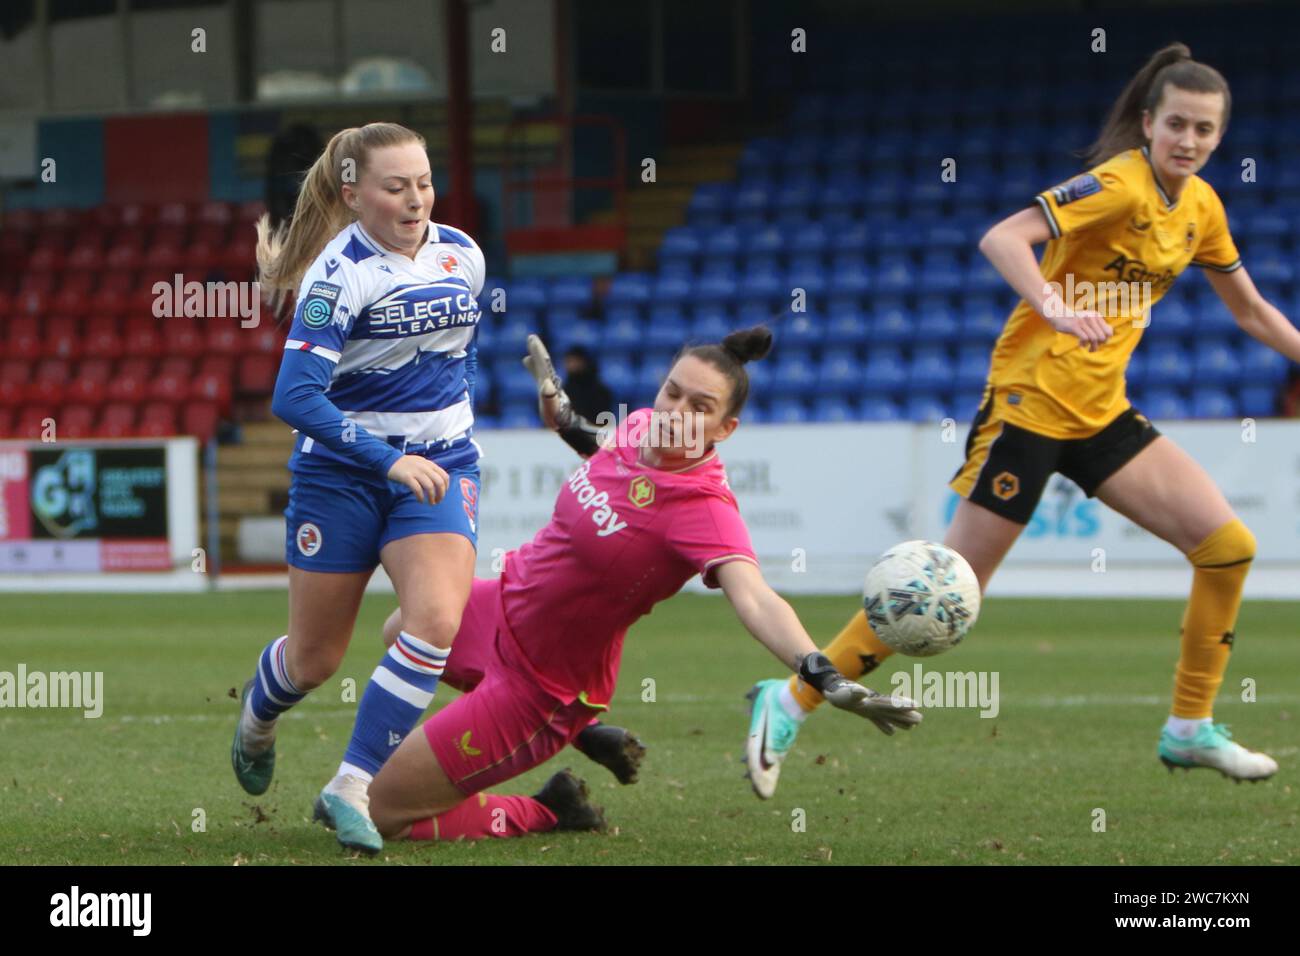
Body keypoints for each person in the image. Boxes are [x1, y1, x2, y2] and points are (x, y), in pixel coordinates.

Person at [745, 42, 1300, 797]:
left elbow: (1251, 309)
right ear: (1148, 123)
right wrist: (1056, 306)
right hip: (1031, 403)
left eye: (1206, 130)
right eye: (1178, 125)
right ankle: (788, 699)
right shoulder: (1115, 184)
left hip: (1101, 412)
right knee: (947, 587)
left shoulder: (1201, 206)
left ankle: (1189, 728)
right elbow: (1003, 237)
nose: (1191, 141)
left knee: (1227, 547)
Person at [349, 328, 921, 845]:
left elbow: (756, 597)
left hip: (543, 684)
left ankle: (548, 808)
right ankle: (588, 735)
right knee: (403, 627)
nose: (675, 411)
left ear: (726, 429)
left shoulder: (705, 509)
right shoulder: (642, 425)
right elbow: (602, 450)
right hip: (499, 607)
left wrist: (820, 672)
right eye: (673, 392)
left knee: (377, 812)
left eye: (701, 408)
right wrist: (561, 414)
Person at [229, 122, 488, 852]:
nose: (416, 200)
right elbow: (295, 398)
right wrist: (385, 456)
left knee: (434, 621)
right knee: (315, 661)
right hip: (342, 477)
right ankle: (256, 720)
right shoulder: (336, 276)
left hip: (437, 468)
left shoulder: (462, 254)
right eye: (395, 186)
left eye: (425, 182)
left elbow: (447, 362)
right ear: (353, 192)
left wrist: (432, 442)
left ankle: (351, 786)